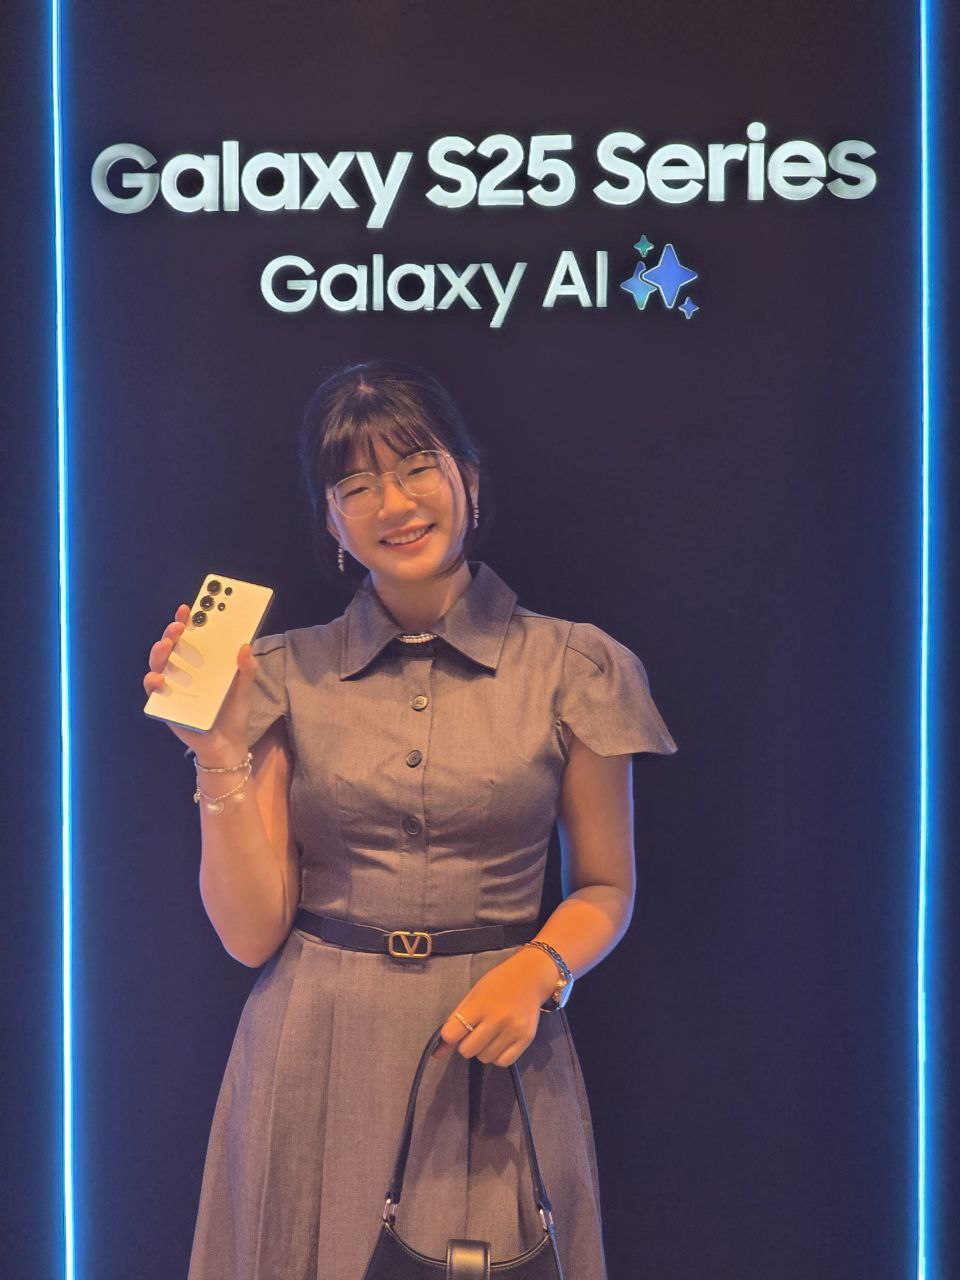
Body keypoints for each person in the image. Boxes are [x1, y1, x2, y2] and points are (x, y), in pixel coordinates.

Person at [143, 359, 678, 1280]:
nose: (393, 503)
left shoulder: (578, 666)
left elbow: (605, 886)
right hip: (312, 1047)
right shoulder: (279, 674)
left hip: (493, 1040)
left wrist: (540, 971)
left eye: (416, 466)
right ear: (332, 521)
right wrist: (217, 751)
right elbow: (249, 933)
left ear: (467, 476)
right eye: (356, 486)